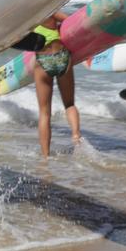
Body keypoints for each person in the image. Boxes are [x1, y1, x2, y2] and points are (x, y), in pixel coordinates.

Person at [29, 11, 82, 157]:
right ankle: (76, 138)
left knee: (44, 113)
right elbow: (72, 22)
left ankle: (45, 156)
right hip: (62, 57)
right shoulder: (51, 10)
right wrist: (58, 28)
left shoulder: (26, 17)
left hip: (42, 60)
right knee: (69, 104)